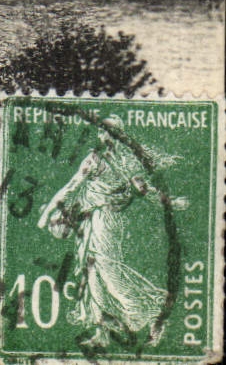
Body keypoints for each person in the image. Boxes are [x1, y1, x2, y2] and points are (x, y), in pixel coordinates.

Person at [38, 117, 181, 349]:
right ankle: (101, 330)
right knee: (91, 272)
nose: (107, 136)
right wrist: (53, 210)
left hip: (107, 219)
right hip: (90, 219)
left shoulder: (124, 162)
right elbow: (73, 186)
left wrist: (170, 202)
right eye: (105, 132)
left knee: (108, 269)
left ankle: (153, 308)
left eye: (112, 132)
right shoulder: (97, 159)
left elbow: (145, 190)